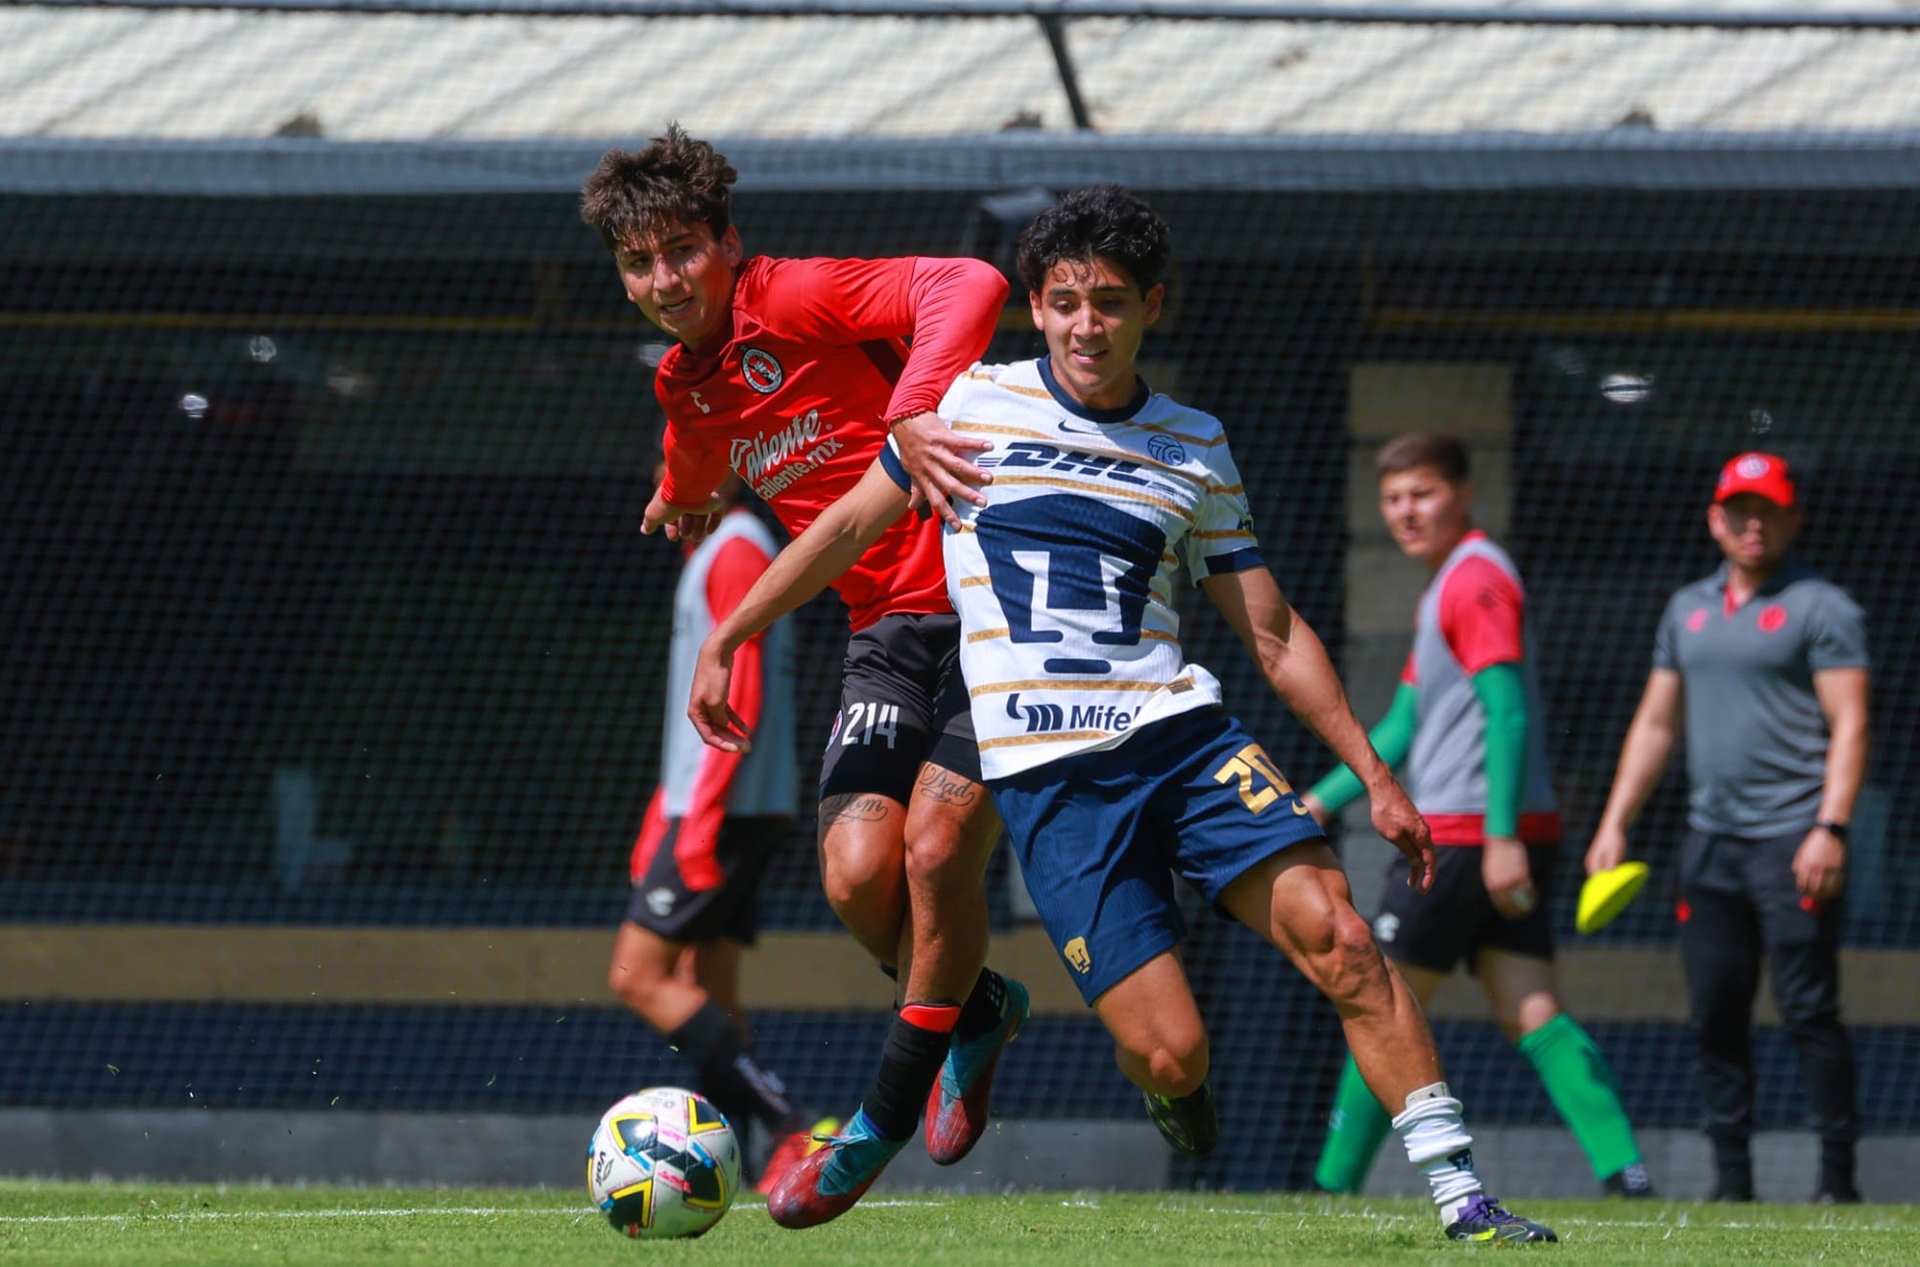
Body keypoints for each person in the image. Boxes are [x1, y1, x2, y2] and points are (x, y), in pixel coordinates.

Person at [690, 185, 1557, 1244]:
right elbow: (840, 530)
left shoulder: (1195, 442)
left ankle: (1464, 1197)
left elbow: (1272, 631)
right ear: (1037, 308)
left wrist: (1376, 777)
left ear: (1152, 305)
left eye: (1109, 302)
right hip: (1054, 784)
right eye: (1064, 302)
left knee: (1340, 936)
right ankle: (1168, 1085)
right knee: (1170, 1053)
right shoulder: (968, 406)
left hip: (1183, 741)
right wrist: (731, 634)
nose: (1086, 325)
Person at [579, 125, 1029, 1227]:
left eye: (681, 250)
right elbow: (696, 448)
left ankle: (887, 1106)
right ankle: (978, 1006)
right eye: (638, 263)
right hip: (882, 629)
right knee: (857, 874)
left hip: (989, 607)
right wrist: (679, 494)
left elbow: (972, 283)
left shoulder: (794, 296)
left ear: (728, 243)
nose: (663, 280)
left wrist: (913, 406)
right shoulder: (687, 386)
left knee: (934, 852)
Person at [1301, 432, 1651, 1199]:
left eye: (1422, 494)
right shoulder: (1447, 587)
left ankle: (1330, 1189)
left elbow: (1508, 710)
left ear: (1463, 494)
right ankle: (1628, 1176)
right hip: (1490, 838)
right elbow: (1403, 724)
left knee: (1382, 1007)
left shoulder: (1474, 580)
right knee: (1532, 1009)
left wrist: (1499, 838)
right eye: (1393, 499)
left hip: (1463, 841)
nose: (1406, 512)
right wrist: (1316, 803)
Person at [1586, 452, 1865, 1205]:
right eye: (1740, 509)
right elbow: (1655, 724)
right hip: (1708, 844)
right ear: (1715, 519)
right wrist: (1615, 823)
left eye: (1768, 510)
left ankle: (1838, 1184)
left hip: (1795, 841)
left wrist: (1831, 827)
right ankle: (1731, 1186)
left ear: (1793, 520)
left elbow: (1851, 723)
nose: (1753, 523)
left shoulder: (1823, 608)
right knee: (1715, 1012)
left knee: (1809, 1012)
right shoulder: (1687, 609)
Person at [606, 467, 829, 1192]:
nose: (665, 480)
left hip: (726, 810)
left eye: (683, 465)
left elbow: (742, 686)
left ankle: (791, 1125)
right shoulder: (724, 547)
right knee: (710, 988)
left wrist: (696, 820)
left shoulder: (735, 548)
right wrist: (664, 815)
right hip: (725, 807)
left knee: (639, 975)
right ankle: (743, 1158)